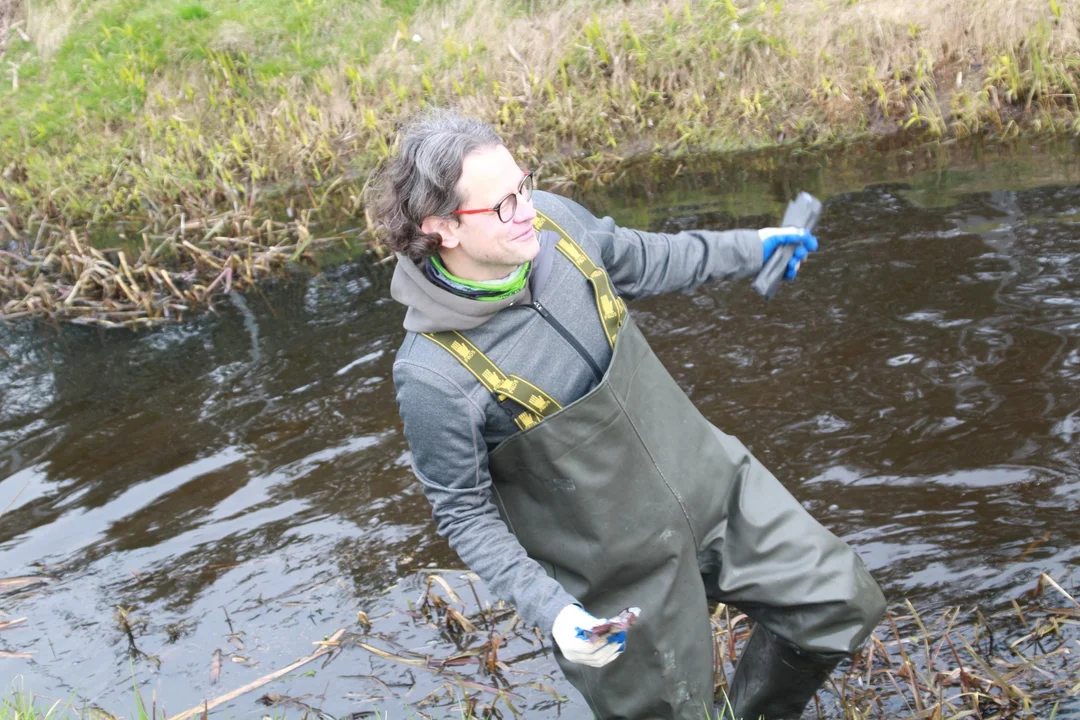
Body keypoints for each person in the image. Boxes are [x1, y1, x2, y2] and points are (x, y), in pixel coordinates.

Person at [369, 110, 886, 720]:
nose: (529, 209)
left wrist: (756, 247)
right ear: (442, 227)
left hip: (715, 488)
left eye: (525, 185)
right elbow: (463, 513)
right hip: (619, 579)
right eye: (504, 205)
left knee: (837, 604)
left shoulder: (555, 225)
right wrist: (554, 613)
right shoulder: (433, 376)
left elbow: (645, 257)